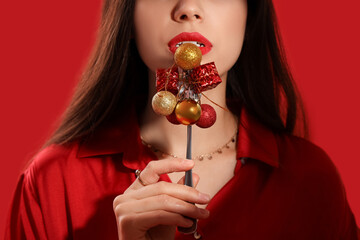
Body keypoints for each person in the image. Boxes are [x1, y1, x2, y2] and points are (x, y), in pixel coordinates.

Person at [5, 0, 359, 239]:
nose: (188, 7)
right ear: (127, 15)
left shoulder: (311, 180)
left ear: (250, 15)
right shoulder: (51, 181)